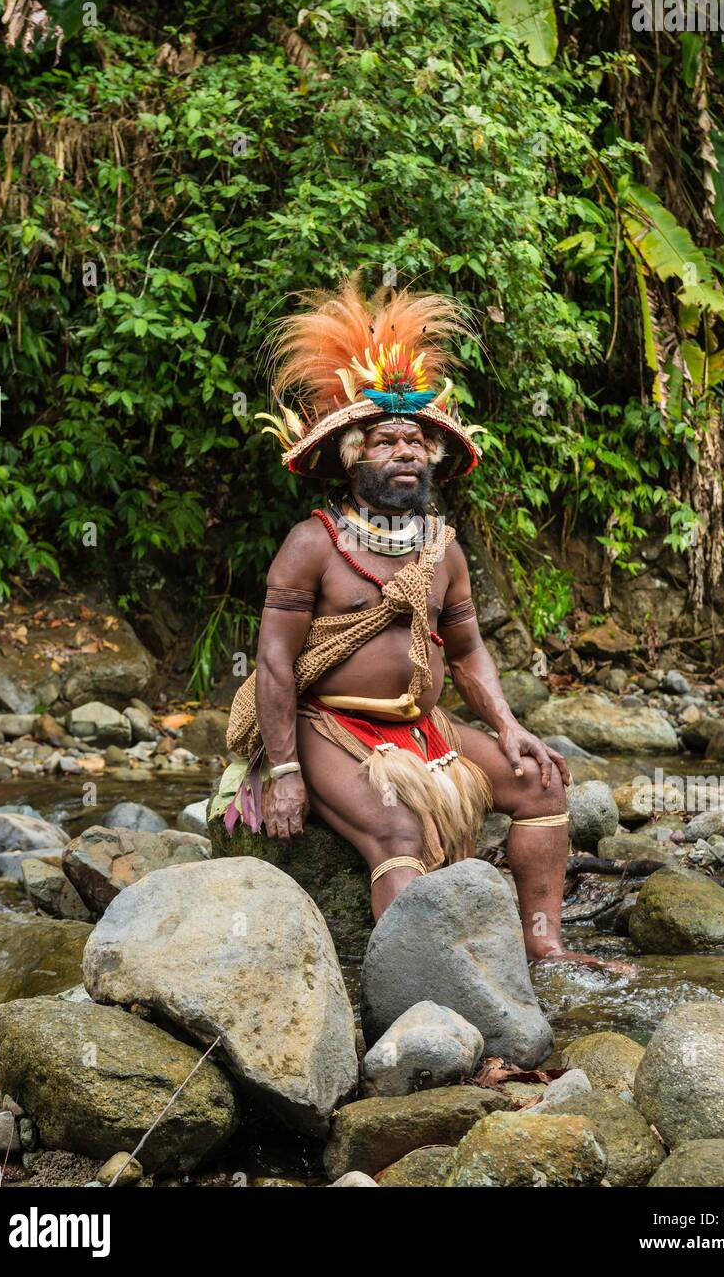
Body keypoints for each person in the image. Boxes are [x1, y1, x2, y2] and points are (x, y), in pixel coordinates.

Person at [222, 277, 629, 972]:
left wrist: (507, 726)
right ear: (353, 462)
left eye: (415, 442)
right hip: (334, 729)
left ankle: (545, 946)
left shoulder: (442, 548)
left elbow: (468, 653)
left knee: (540, 785)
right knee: (397, 826)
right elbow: (274, 666)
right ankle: (416, 988)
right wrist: (285, 770)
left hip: (423, 726)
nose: (405, 452)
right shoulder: (311, 543)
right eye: (384, 442)